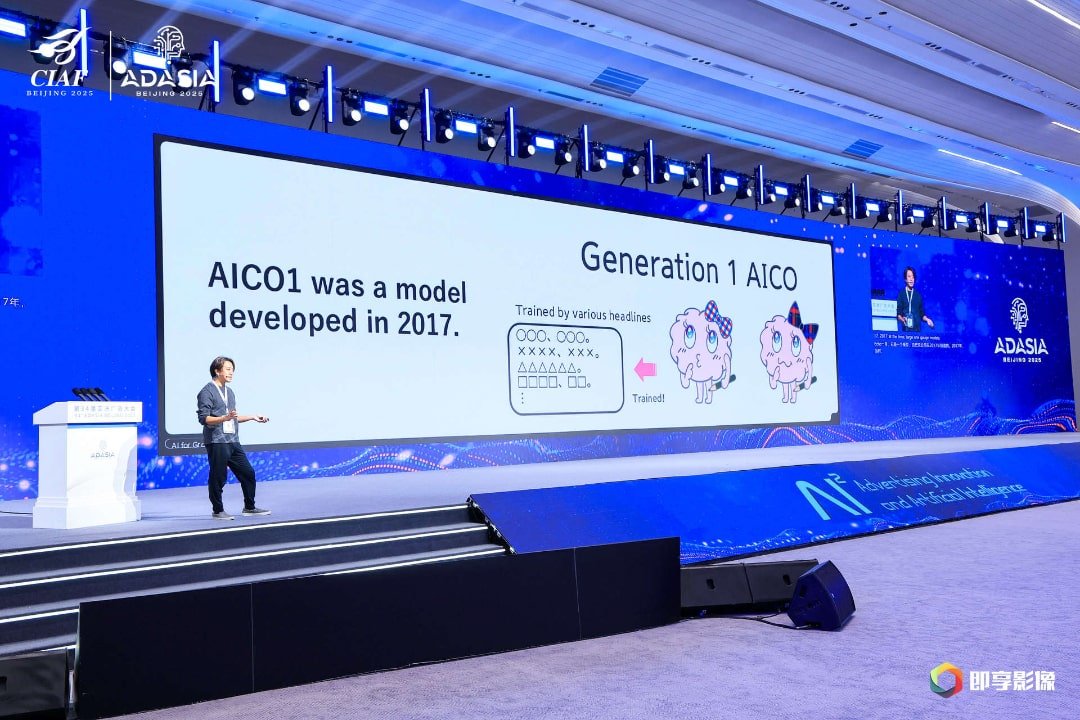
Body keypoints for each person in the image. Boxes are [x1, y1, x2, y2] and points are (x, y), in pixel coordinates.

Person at [196, 356, 271, 520]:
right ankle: (218, 510)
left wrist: (252, 417)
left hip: (233, 440)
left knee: (248, 473)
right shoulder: (206, 392)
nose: (231, 373)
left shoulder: (229, 392)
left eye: (232, 370)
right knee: (218, 477)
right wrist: (224, 418)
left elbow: (233, 418)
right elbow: (204, 419)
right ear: (217, 371)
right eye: (228, 369)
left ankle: (249, 507)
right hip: (217, 441)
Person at [896, 266, 934, 332]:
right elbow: (898, 314)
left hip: (917, 331)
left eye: (913, 277)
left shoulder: (918, 295)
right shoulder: (901, 294)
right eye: (909, 276)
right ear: (905, 279)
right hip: (905, 331)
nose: (911, 279)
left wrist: (927, 320)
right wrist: (902, 319)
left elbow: (922, 315)